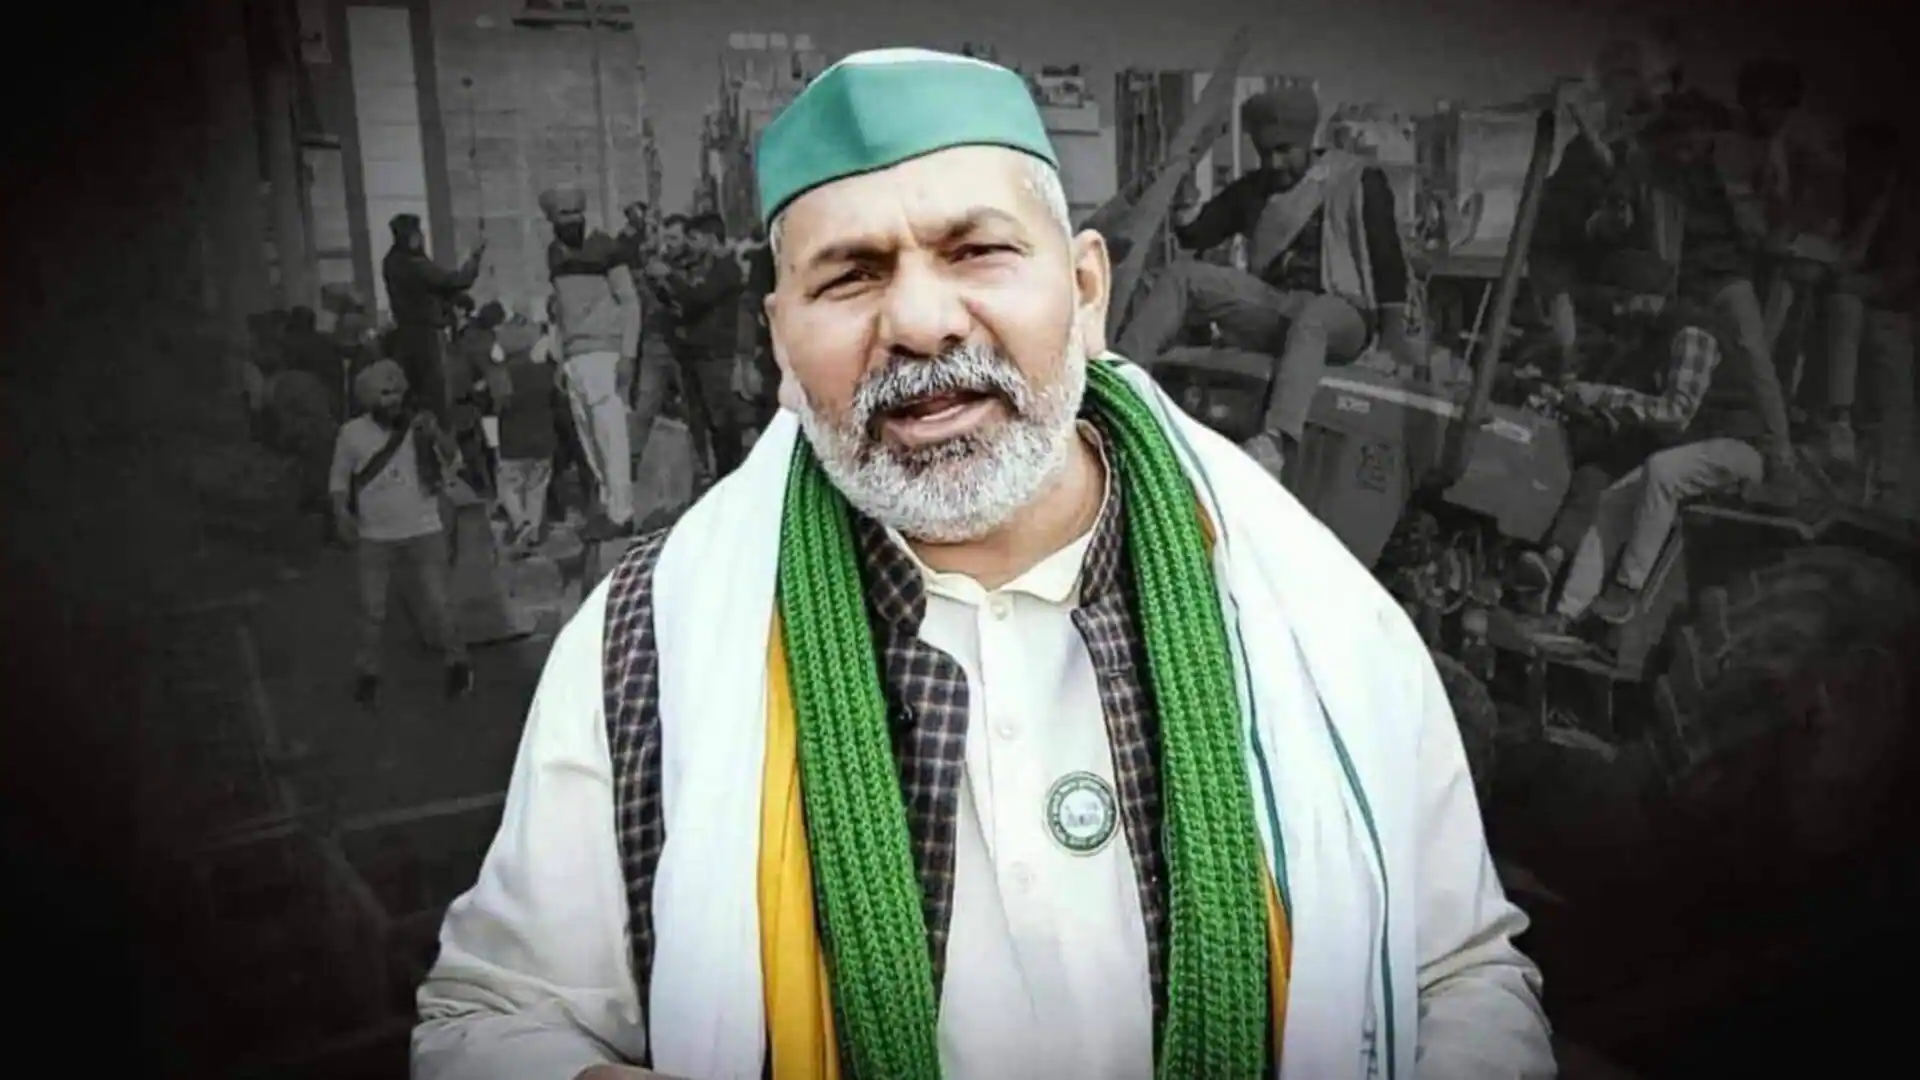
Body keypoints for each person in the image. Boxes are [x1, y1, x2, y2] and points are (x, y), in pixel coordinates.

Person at [414, 47, 1552, 1080]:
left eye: (977, 251)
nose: (920, 321)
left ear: (1088, 290)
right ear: (779, 344)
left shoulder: (1311, 613)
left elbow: (1458, 975)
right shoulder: (644, 650)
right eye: (850, 276)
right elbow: (488, 1020)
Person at [1114, 84, 1422, 478]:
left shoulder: (1356, 179)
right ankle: (1117, 388)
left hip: (1344, 314)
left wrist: (1393, 343)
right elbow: (1196, 233)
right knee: (1182, 276)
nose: (1275, 163)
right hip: (1278, 306)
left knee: (1314, 316)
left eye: (1284, 150)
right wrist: (1181, 193)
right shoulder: (1254, 189)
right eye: (1265, 153)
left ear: (1307, 141)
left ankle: (1275, 442)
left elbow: (1387, 258)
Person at [1519, 249, 1769, 636]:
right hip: (1700, 447)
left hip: (1737, 447)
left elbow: (1676, 413)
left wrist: (1602, 396)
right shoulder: (1656, 337)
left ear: (1650, 297)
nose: (1617, 308)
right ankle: (1565, 615)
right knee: (1610, 502)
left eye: (1625, 298)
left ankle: (1626, 589)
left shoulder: (1692, 333)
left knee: (1662, 471)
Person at [328, 360, 474, 706]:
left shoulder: (419, 426)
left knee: (440, 604)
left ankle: (458, 663)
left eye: (397, 392)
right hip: (374, 537)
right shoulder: (351, 433)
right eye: (385, 393)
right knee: (372, 611)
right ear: (368, 398)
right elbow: (338, 478)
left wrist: (436, 433)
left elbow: (454, 460)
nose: (393, 399)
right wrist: (340, 512)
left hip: (424, 529)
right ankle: (368, 673)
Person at [541, 185, 643, 541]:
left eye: (575, 213)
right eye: (563, 215)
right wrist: (559, 357)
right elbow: (559, 310)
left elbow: (629, 301)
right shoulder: (554, 254)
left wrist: (628, 354)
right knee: (589, 442)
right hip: (574, 357)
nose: (571, 220)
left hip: (604, 353)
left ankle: (622, 512)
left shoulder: (606, 249)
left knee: (610, 436)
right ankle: (607, 506)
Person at [659, 211, 749, 477]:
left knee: (722, 418)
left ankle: (731, 472)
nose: (689, 245)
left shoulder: (726, 268)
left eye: (694, 238)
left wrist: (670, 277)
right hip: (698, 352)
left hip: (715, 352)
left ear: (710, 239)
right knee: (707, 418)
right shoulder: (704, 267)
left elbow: (698, 298)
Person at [382, 213, 486, 426]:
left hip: (406, 333)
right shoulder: (414, 264)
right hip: (427, 334)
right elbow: (456, 281)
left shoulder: (391, 262)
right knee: (437, 394)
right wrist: (475, 257)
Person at [490, 311, 559, 555]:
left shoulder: (500, 374)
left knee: (509, 487)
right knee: (536, 489)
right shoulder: (545, 372)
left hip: (512, 442)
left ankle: (520, 523)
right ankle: (534, 530)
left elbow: (495, 407)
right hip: (543, 439)